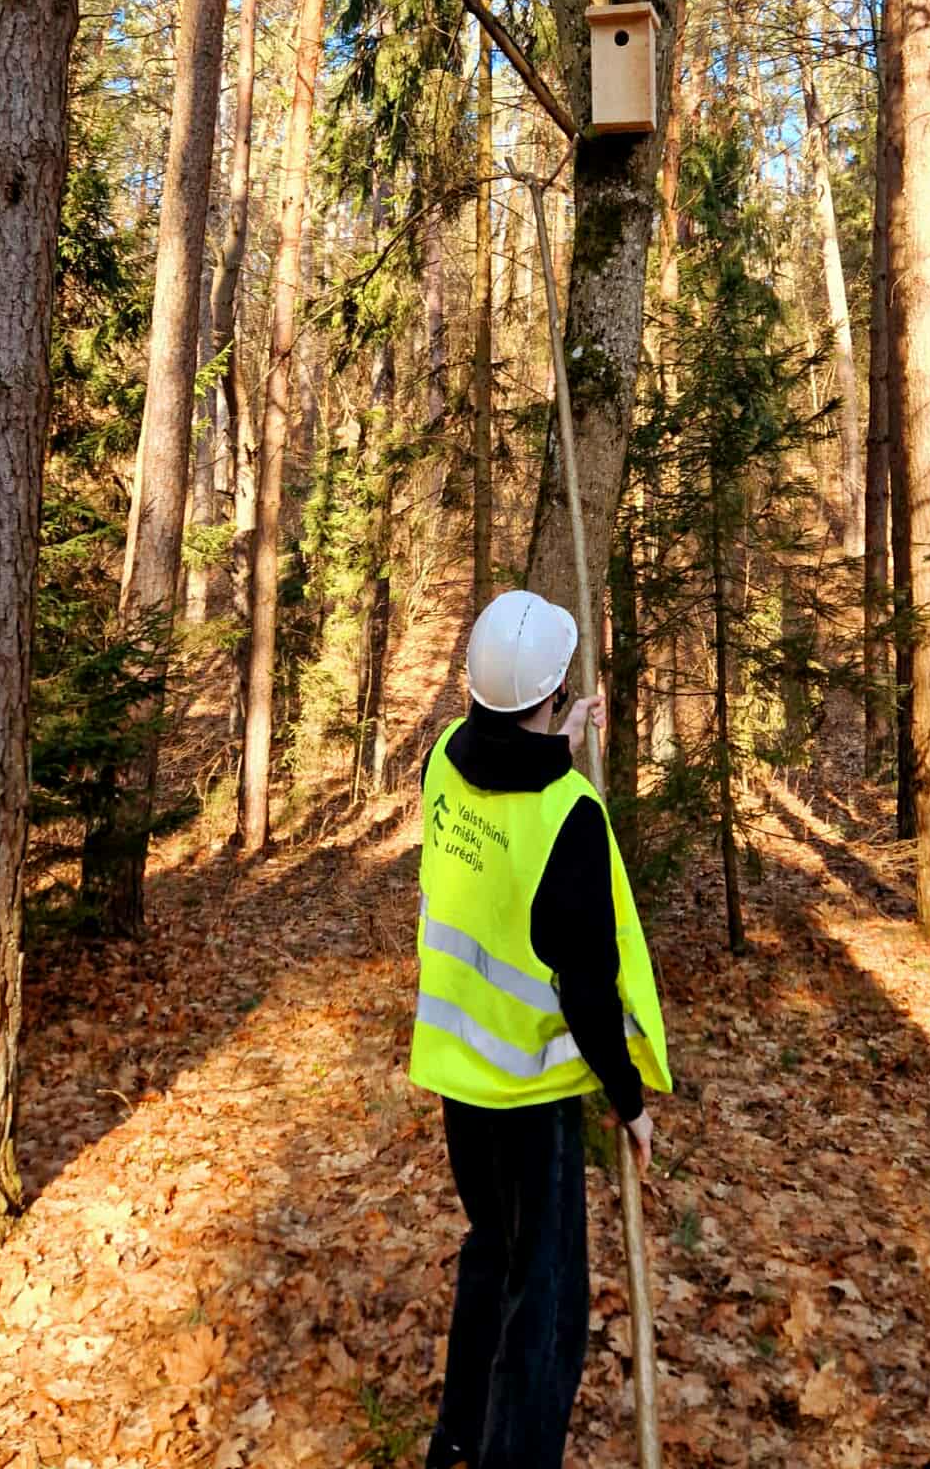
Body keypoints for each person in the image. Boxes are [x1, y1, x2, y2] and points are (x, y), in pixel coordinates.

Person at [410, 588, 672, 1469]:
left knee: (492, 1252)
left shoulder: (442, 761)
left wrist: (560, 742)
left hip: (459, 1080)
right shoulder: (572, 818)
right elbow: (589, 990)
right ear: (553, 694)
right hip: (530, 1101)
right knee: (547, 1303)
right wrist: (630, 1102)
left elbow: (499, 773)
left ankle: (457, 1439)